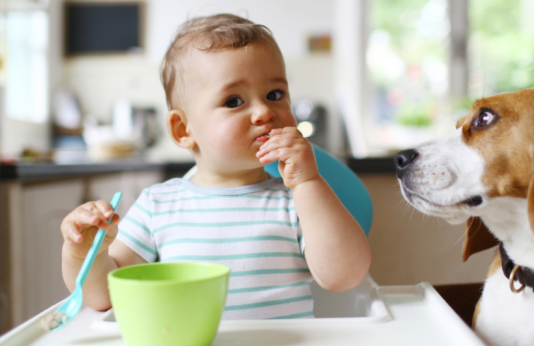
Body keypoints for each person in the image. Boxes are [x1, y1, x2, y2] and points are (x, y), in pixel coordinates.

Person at [60, 13, 371, 319]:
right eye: (234, 101)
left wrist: (308, 183)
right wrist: (85, 253)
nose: (264, 111)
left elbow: (344, 277)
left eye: (275, 94)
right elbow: (104, 296)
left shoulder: (295, 201)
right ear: (183, 130)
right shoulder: (158, 206)